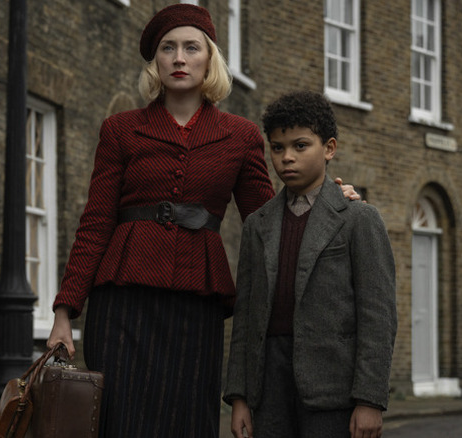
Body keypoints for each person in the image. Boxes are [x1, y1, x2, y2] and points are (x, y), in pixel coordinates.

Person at [47, 5, 359, 438]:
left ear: (209, 58)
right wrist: (65, 313)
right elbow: (96, 222)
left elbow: (267, 219)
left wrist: (327, 198)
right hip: (122, 302)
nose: (179, 57)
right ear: (155, 61)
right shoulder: (120, 130)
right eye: (167, 48)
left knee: (187, 419)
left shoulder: (242, 135)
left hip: (197, 302)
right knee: (120, 420)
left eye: (191, 47)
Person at [223, 90, 397, 438]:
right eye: (277, 147)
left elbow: (378, 315)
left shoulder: (359, 219)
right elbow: (246, 318)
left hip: (335, 392)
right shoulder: (258, 225)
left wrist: (370, 399)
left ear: (329, 148)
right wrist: (240, 396)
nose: (287, 157)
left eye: (300, 146)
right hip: (268, 389)